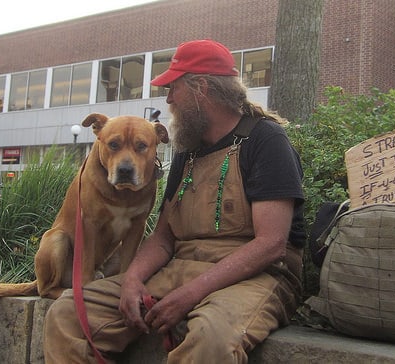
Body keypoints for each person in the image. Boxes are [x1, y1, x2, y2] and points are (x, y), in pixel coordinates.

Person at [43, 39, 306, 364]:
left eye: (172, 89)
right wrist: (132, 280)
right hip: (182, 267)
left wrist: (193, 293)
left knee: (210, 337)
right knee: (68, 313)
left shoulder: (266, 141)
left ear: (201, 88)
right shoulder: (188, 150)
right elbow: (164, 237)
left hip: (257, 276)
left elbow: (271, 245)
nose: (167, 100)